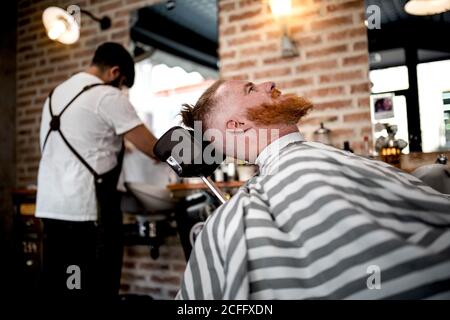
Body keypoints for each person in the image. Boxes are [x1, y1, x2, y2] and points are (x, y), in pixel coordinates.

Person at [176, 79, 450, 299]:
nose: (269, 83)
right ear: (237, 125)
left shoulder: (304, 162)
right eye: (251, 89)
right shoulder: (252, 207)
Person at [36, 42, 158, 298]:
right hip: (87, 214)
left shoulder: (54, 95)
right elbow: (154, 149)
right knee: (96, 289)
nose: (121, 90)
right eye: (123, 84)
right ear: (115, 73)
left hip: (51, 210)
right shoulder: (108, 95)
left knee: (64, 289)